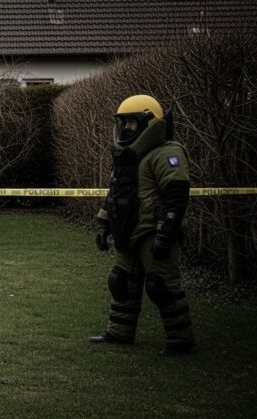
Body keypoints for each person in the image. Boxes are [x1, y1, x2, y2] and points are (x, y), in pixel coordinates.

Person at [90, 94, 195, 356]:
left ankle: (180, 339)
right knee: (121, 281)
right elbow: (115, 193)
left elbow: (176, 196)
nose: (126, 128)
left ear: (149, 123)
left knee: (161, 285)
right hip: (128, 230)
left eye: (132, 122)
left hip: (151, 231)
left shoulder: (167, 153)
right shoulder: (127, 156)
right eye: (123, 122)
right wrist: (103, 223)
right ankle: (119, 332)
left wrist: (165, 234)